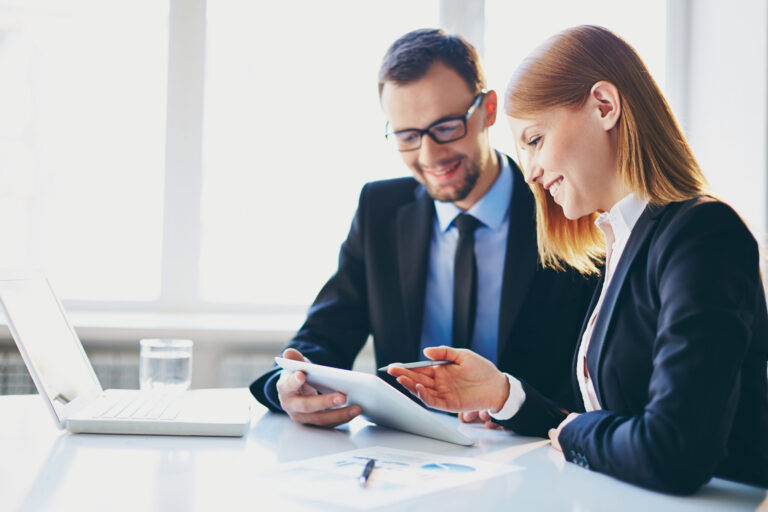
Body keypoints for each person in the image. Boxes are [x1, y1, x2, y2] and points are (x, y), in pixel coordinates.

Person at [389, 25, 768, 494]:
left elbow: (672, 448)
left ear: (604, 107)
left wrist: (572, 432)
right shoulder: (619, 240)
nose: (529, 171)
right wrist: (503, 395)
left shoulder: (703, 235)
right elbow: (606, 422)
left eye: (534, 140)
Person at [249, 28, 595, 428]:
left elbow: (590, 384)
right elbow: (324, 336)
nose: (430, 155)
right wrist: (288, 385)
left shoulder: (562, 204)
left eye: (446, 127)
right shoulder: (380, 210)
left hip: (532, 451)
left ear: (488, 110)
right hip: (407, 454)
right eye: (408, 136)